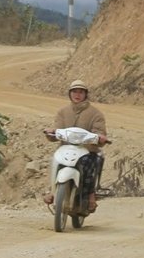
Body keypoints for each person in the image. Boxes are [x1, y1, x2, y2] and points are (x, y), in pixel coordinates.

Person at [42, 79, 109, 212]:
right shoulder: (63, 112)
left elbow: (100, 131)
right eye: (74, 92)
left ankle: (90, 196)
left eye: (81, 92)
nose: (77, 95)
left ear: (86, 94)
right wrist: (51, 133)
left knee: (88, 164)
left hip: (87, 150)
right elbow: (57, 129)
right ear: (69, 94)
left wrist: (100, 137)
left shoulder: (96, 113)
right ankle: (53, 191)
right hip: (66, 149)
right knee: (55, 160)